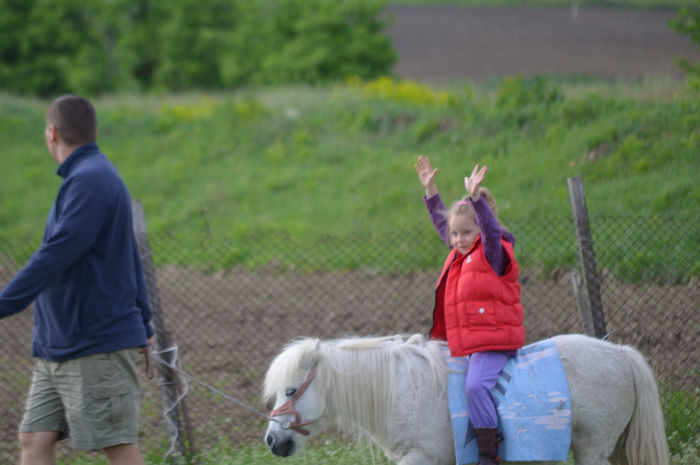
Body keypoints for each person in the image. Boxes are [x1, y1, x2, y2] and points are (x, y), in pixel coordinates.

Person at [0, 95, 155, 465]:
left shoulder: (91, 181)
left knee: (118, 447)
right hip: (61, 344)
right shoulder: (88, 177)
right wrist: (145, 319)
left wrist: (4, 302)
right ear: (94, 130)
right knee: (34, 438)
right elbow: (128, 252)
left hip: (94, 342)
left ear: (51, 133)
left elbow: (57, 253)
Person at [415, 155, 525, 465]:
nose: (458, 239)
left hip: (495, 341)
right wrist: (430, 189)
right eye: (455, 234)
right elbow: (442, 223)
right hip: (470, 343)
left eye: (466, 233)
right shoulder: (461, 253)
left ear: (481, 228)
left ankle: (489, 455)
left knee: (476, 386)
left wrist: (476, 199)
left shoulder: (494, 250)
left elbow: (490, 231)